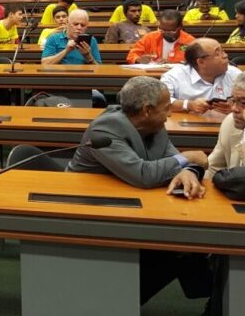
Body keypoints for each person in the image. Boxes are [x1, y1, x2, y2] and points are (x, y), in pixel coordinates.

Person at [67, 76, 212, 306]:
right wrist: (187, 158)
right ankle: (117, 302)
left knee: (181, 241)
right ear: (147, 110)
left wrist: (188, 171)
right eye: (166, 108)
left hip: (126, 200)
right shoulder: (107, 128)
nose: (170, 114)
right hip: (86, 208)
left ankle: (211, 300)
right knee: (173, 246)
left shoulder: (154, 125)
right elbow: (143, 175)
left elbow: (172, 160)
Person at [161, 38, 242, 114]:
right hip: (189, 123)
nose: (225, 55)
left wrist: (235, 108)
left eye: (223, 51)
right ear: (201, 62)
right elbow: (161, 102)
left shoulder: (235, 74)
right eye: (217, 54)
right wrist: (189, 105)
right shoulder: (174, 76)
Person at [126, 10, 195, 64]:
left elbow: (196, 63)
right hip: (152, 74)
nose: (166, 33)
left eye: (171, 31)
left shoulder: (190, 42)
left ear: (180, 27)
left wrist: (173, 64)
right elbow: (132, 55)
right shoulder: (150, 37)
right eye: (162, 30)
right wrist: (139, 60)